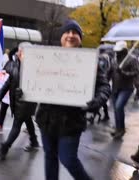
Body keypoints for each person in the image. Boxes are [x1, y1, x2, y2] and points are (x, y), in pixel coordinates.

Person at [35, 20, 110, 180]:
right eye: (67, 32)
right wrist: (24, 92)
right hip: (46, 119)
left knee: (68, 159)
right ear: (61, 36)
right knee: (50, 156)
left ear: (80, 38)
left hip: (71, 121)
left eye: (75, 32)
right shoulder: (49, 57)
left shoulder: (90, 61)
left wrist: (97, 101)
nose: (70, 35)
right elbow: (33, 81)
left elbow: (104, 87)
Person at [0, 43, 39, 159]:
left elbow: (37, 86)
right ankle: (34, 142)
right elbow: (9, 82)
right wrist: (0, 95)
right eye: (19, 51)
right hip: (17, 102)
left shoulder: (33, 69)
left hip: (26, 102)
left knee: (16, 125)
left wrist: (26, 92)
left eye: (21, 51)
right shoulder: (15, 65)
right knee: (28, 120)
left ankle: (4, 148)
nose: (19, 53)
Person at [111, 41, 139, 139]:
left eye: (119, 51)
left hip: (126, 88)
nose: (117, 52)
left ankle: (122, 129)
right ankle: (118, 128)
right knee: (115, 108)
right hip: (115, 87)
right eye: (116, 51)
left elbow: (136, 72)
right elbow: (110, 71)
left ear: (124, 50)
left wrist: (123, 72)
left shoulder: (132, 59)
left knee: (119, 106)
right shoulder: (114, 59)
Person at [0, 50, 14, 131]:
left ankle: (30, 129)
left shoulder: (21, 64)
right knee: (3, 107)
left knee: (19, 112)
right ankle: (0, 124)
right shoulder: (9, 63)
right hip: (8, 90)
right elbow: (4, 71)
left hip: (15, 91)